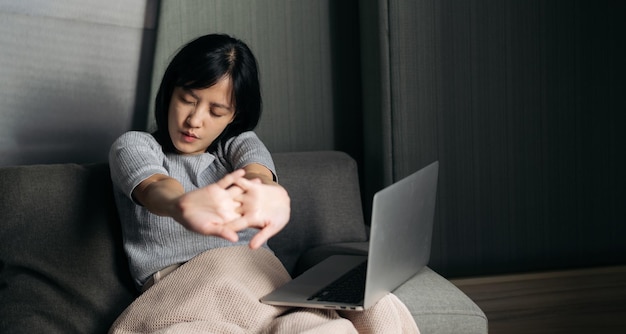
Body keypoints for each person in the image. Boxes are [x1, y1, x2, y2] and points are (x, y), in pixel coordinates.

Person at [108, 33, 418, 333]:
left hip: (265, 285)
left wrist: (272, 194)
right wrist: (180, 205)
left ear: (233, 115)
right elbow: (154, 186)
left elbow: (257, 174)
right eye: (187, 100)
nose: (195, 120)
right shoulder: (136, 145)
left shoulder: (237, 146)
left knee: (374, 307)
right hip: (191, 293)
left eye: (216, 111)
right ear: (169, 92)